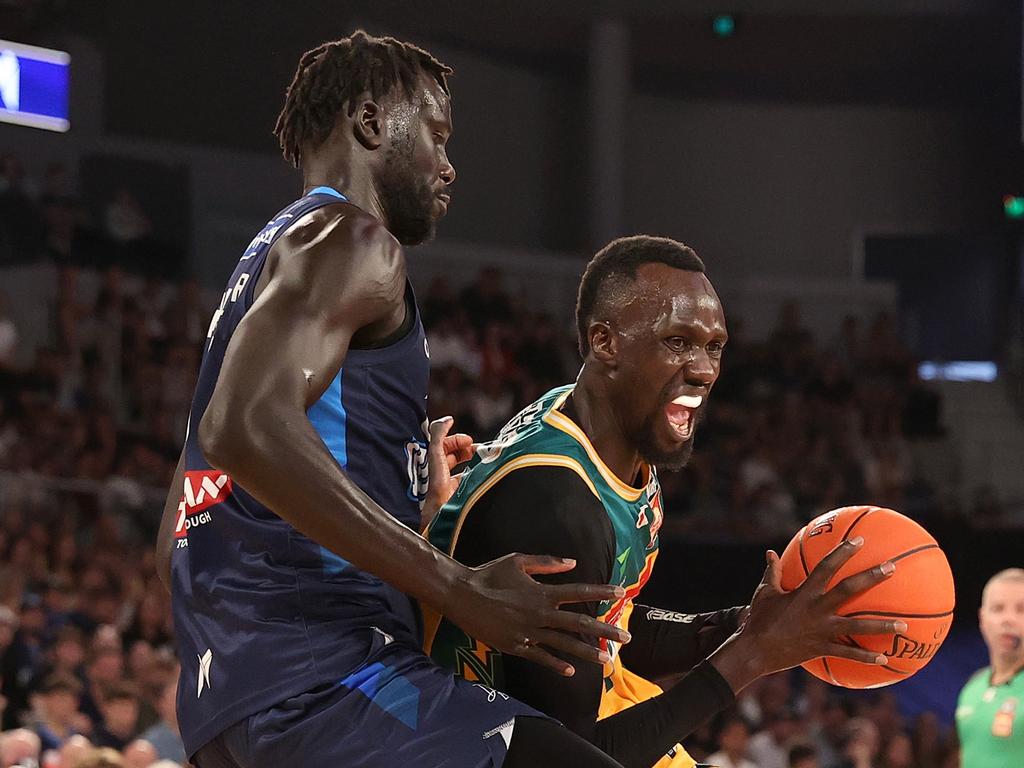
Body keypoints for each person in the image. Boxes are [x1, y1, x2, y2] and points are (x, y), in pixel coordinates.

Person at [158, 30, 628, 768]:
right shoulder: (355, 241)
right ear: (373, 124)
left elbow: (182, 528)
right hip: (331, 681)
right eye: (437, 135)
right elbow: (244, 427)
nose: (449, 166)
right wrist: (458, 586)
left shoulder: (268, 262)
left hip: (234, 705)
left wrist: (402, 495)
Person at [425, 236, 903, 767]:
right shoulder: (556, 504)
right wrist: (754, 654)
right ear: (603, 342)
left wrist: (746, 623)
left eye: (714, 346)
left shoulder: (601, 428)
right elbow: (572, 760)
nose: (704, 370)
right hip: (474, 747)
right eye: (678, 342)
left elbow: (606, 624)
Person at [955, 567, 1024, 767]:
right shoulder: (972, 689)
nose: (1008, 619)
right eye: (998, 608)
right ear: (982, 619)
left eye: (1021, 609)